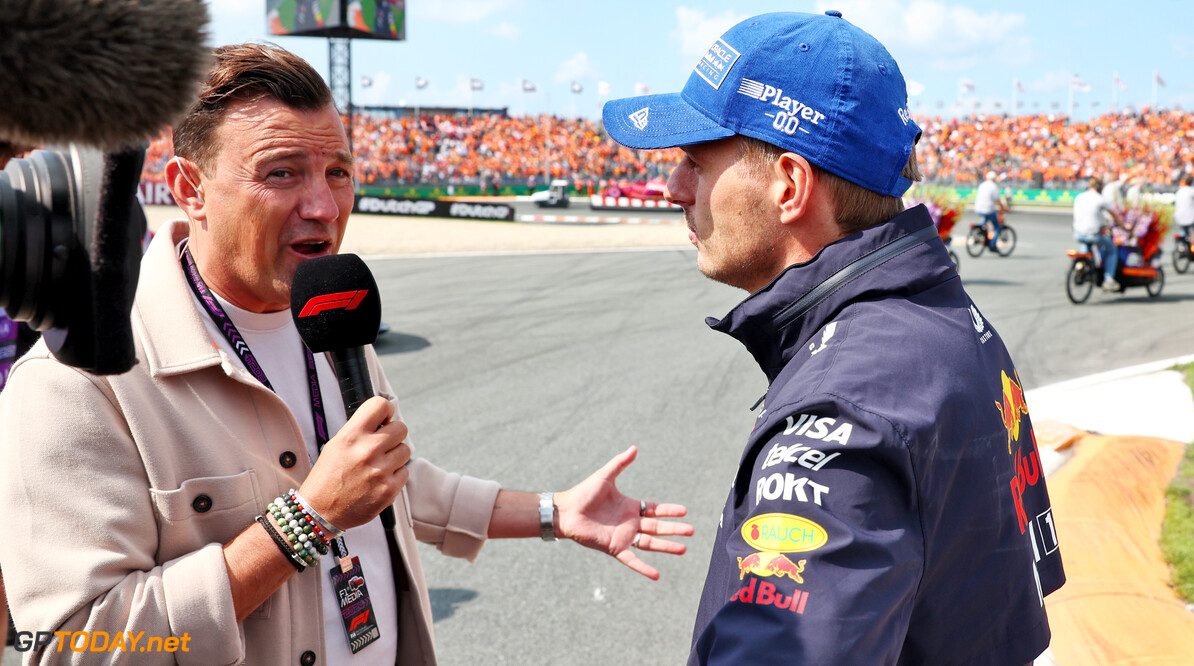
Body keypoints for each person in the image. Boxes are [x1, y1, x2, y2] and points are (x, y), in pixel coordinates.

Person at [0, 42, 693, 665]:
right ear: (189, 189)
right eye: (282, 173)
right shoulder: (76, 383)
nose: (325, 207)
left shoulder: (329, 319)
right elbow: (74, 646)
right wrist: (304, 523)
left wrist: (551, 512)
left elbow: (384, 482)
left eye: (338, 171)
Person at [602, 11, 1064, 665]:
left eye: (695, 162)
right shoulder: (944, 323)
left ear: (789, 185)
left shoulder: (845, 408)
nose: (674, 188)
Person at [1073, 176, 1124, 290]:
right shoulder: (1099, 199)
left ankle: (1080, 266)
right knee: (1112, 250)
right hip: (1094, 234)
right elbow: (1114, 215)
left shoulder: (1079, 197)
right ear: (1099, 187)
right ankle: (1109, 279)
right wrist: (1123, 225)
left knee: (1086, 245)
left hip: (1078, 233)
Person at [974, 170, 1007, 249]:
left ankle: (981, 231)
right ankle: (992, 244)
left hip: (978, 208)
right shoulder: (993, 186)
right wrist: (1003, 207)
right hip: (988, 209)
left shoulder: (982, 185)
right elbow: (997, 200)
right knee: (997, 227)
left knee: (984, 220)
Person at [1174, 173, 1194, 244]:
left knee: (1184, 231)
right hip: (1191, 219)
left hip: (1179, 218)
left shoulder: (1179, 191)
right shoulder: (1191, 191)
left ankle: (1182, 241)